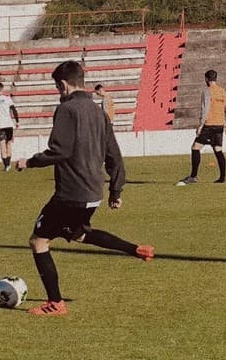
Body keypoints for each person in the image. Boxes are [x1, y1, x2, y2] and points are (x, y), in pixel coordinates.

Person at [15, 61, 154, 317]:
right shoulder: (97, 111)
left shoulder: (67, 109)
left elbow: (60, 151)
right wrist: (116, 190)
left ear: (63, 84)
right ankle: (135, 248)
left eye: (57, 87)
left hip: (70, 193)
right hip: (93, 193)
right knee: (79, 234)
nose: (58, 92)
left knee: (39, 241)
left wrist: (29, 162)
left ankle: (55, 303)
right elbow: (114, 153)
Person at [177, 69, 226, 185]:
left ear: (207, 79)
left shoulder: (207, 92)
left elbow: (205, 109)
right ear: (215, 79)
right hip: (219, 125)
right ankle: (222, 177)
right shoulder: (223, 92)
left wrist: (201, 125)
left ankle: (193, 177)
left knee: (195, 148)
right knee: (218, 150)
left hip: (209, 125)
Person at [0, 82, 19, 171]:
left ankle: (6, 166)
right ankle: (8, 164)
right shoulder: (7, 99)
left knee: (2, 146)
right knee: (9, 144)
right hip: (9, 124)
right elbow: (14, 110)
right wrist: (17, 121)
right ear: (2, 89)